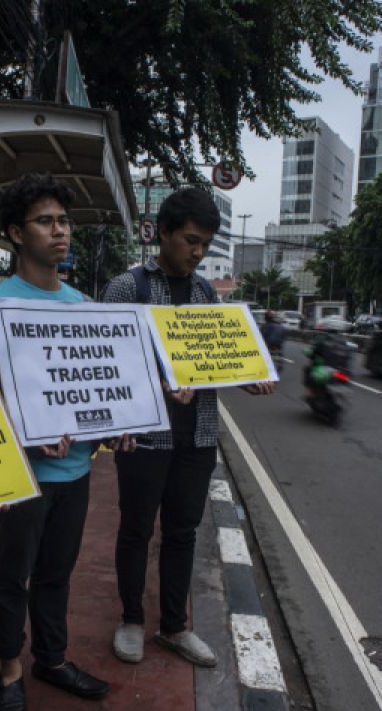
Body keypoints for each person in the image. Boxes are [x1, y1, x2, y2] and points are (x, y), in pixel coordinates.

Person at [0, 174, 133, 711]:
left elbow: (96, 383)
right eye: (45, 221)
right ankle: (9, 669)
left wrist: (119, 422)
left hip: (76, 470)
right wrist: (16, 437)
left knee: (57, 572)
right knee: (13, 574)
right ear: (16, 233)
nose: (60, 231)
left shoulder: (83, 303)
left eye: (63, 220)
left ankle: (51, 659)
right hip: (20, 474)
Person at [100, 188, 273, 667]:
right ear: (163, 233)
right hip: (143, 436)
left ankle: (174, 626)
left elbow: (217, 359)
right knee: (136, 529)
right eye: (191, 241)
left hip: (196, 435)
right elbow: (105, 365)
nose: (198, 253)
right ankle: (132, 619)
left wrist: (248, 377)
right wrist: (157, 385)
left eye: (205, 244)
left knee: (183, 531)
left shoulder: (205, 295)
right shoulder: (125, 288)